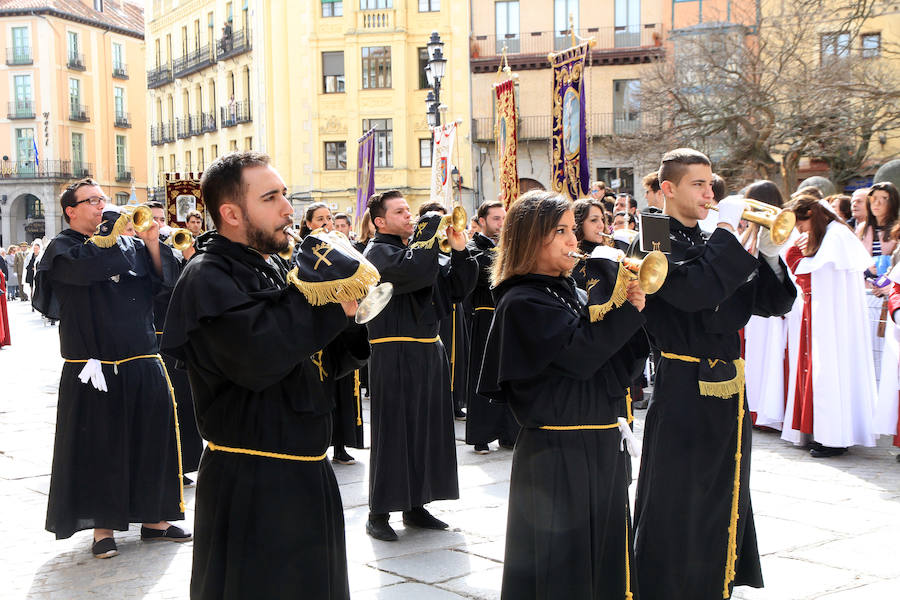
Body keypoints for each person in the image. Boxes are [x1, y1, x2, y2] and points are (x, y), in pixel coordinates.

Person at [160, 152, 362, 599]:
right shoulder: (207, 277)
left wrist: (349, 310)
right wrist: (326, 304)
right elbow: (259, 358)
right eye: (270, 198)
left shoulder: (273, 264)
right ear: (231, 214)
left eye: (284, 195)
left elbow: (317, 363)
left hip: (308, 471)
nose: (288, 209)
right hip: (253, 482)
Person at [633, 149, 797, 600]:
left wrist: (769, 257)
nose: (710, 193)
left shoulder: (709, 239)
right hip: (683, 380)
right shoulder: (652, 234)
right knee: (680, 488)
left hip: (729, 381)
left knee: (726, 485)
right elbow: (696, 293)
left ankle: (715, 580)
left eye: (711, 184)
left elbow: (774, 304)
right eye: (698, 184)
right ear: (668, 189)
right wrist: (726, 232)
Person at [478, 190, 648, 600]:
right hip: (558, 454)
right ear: (531, 239)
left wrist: (630, 306)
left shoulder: (572, 291)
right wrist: (625, 315)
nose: (574, 241)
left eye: (573, 229)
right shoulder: (522, 300)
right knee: (562, 569)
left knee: (602, 560)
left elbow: (616, 368)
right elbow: (579, 357)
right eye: (561, 231)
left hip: (598, 445)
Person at [33, 179, 188, 559]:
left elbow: (162, 284)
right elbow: (88, 271)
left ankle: (155, 520)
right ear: (71, 211)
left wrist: (151, 242)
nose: (101, 205)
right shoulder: (62, 249)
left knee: (152, 441)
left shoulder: (131, 244)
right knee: (100, 447)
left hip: (142, 358)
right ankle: (103, 528)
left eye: (103, 199)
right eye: (92, 201)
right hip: (94, 367)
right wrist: (109, 237)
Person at [362, 190, 477, 541]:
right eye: (399, 212)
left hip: (429, 349)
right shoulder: (377, 252)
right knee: (394, 431)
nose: (409, 216)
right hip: (394, 351)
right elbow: (412, 273)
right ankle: (378, 512)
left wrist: (460, 250)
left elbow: (456, 289)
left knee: (428, 430)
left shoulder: (420, 251)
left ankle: (417, 504)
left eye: (408, 210)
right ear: (380, 221)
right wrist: (428, 231)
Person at [781, 195, 878, 457]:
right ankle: (824, 433)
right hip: (827, 317)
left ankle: (833, 437)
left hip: (829, 320)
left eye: (801, 225)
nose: (801, 232)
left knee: (828, 373)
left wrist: (793, 255)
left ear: (811, 216)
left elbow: (810, 277)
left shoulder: (835, 237)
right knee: (825, 373)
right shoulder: (834, 235)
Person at [146, 201, 204, 483]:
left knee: (182, 401)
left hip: (175, 335)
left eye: (161, 219)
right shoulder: (139, 253)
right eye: (152, 219)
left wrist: (188, 254)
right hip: (152, 336)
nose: (158, 224)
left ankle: (183, 464)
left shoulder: (173, 249)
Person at [740, 180, 796, 429]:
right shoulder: (754, 230)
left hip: (776, 308)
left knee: (772, 362)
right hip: (758, 310)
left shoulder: (780, 228)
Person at [465, 200, 518, 454]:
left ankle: (509, 433)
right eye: (496, 218)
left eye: (504, 218)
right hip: (485, 316)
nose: (501, 223)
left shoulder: (510, 247)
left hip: (509, 318)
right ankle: (481, 435)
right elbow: (481, 271)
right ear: (482, 221)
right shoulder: (473, 247)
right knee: (482, 372)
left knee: (509, 373)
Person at [571, 197, 614, 290]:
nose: (601, 225)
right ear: (578, 223)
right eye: (594, 220)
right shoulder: (572, 258)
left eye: (602, 219)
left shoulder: (609, 253)